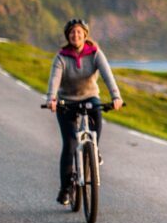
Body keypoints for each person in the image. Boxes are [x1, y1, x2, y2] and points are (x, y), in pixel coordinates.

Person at [46, 19, 123, 206]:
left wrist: (116, 96)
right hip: (67, 101)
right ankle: (65, 189)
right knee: (70, 144)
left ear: (85, 35)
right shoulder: (61, 57)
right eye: (72, 32)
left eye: (79, 32)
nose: (76, 35)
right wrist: (52, 98)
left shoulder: (95, 53)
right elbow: (54, 79)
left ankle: (94, 150)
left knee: (97, 114)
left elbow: (107, 75)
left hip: (89, 96)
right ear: (68, 36)